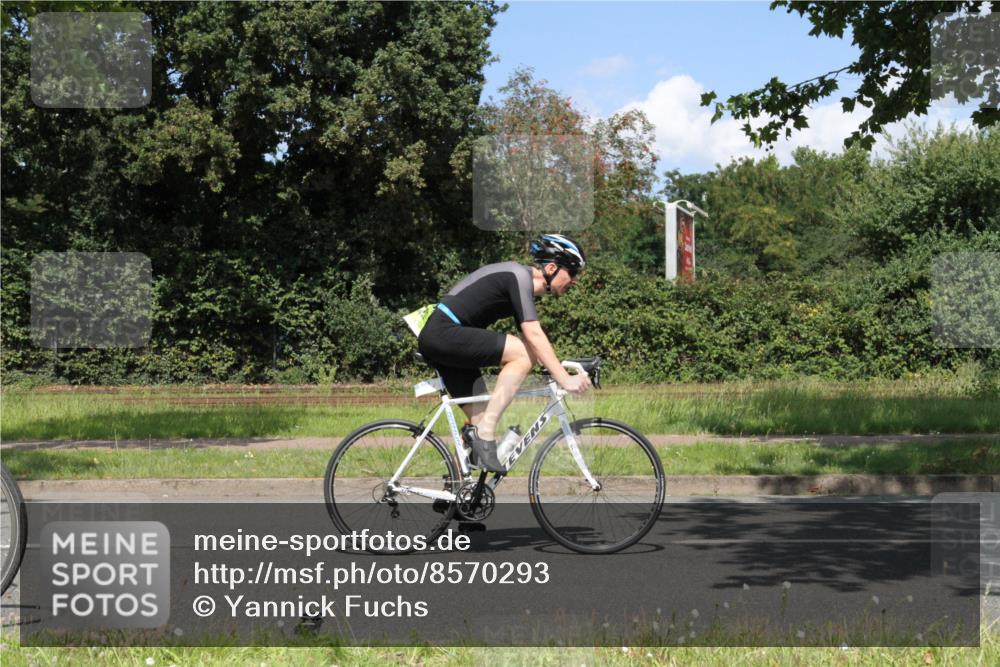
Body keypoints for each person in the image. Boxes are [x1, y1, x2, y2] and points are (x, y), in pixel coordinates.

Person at [417, 234, 592, 472]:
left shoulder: (520, 283)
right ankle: (485, 434)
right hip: (443, 334)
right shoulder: (518, 277)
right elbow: (533, 335)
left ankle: (457, 492)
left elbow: (531, 342)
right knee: (518, 361)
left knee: (481, 416)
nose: (574, 281)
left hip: (446, 339)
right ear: (551, 268)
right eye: (572, 273)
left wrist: (560, 367)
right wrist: (564, 378)